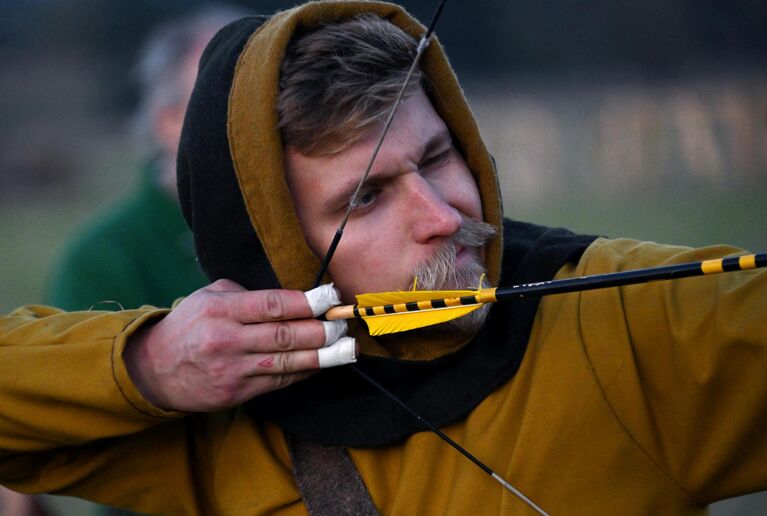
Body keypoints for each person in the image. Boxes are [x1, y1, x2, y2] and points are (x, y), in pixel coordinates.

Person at [1, 2, 765, 514]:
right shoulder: (223, 417)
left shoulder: (620, 318)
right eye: (363, 198)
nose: (444, 217)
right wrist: (146, 366)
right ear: (278, 248)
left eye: (437, 157)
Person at [46, 6, 246, 311]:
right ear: (166, 120)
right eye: (224, 96)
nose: (252, 117)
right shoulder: (101, 263)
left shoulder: (308, 228)